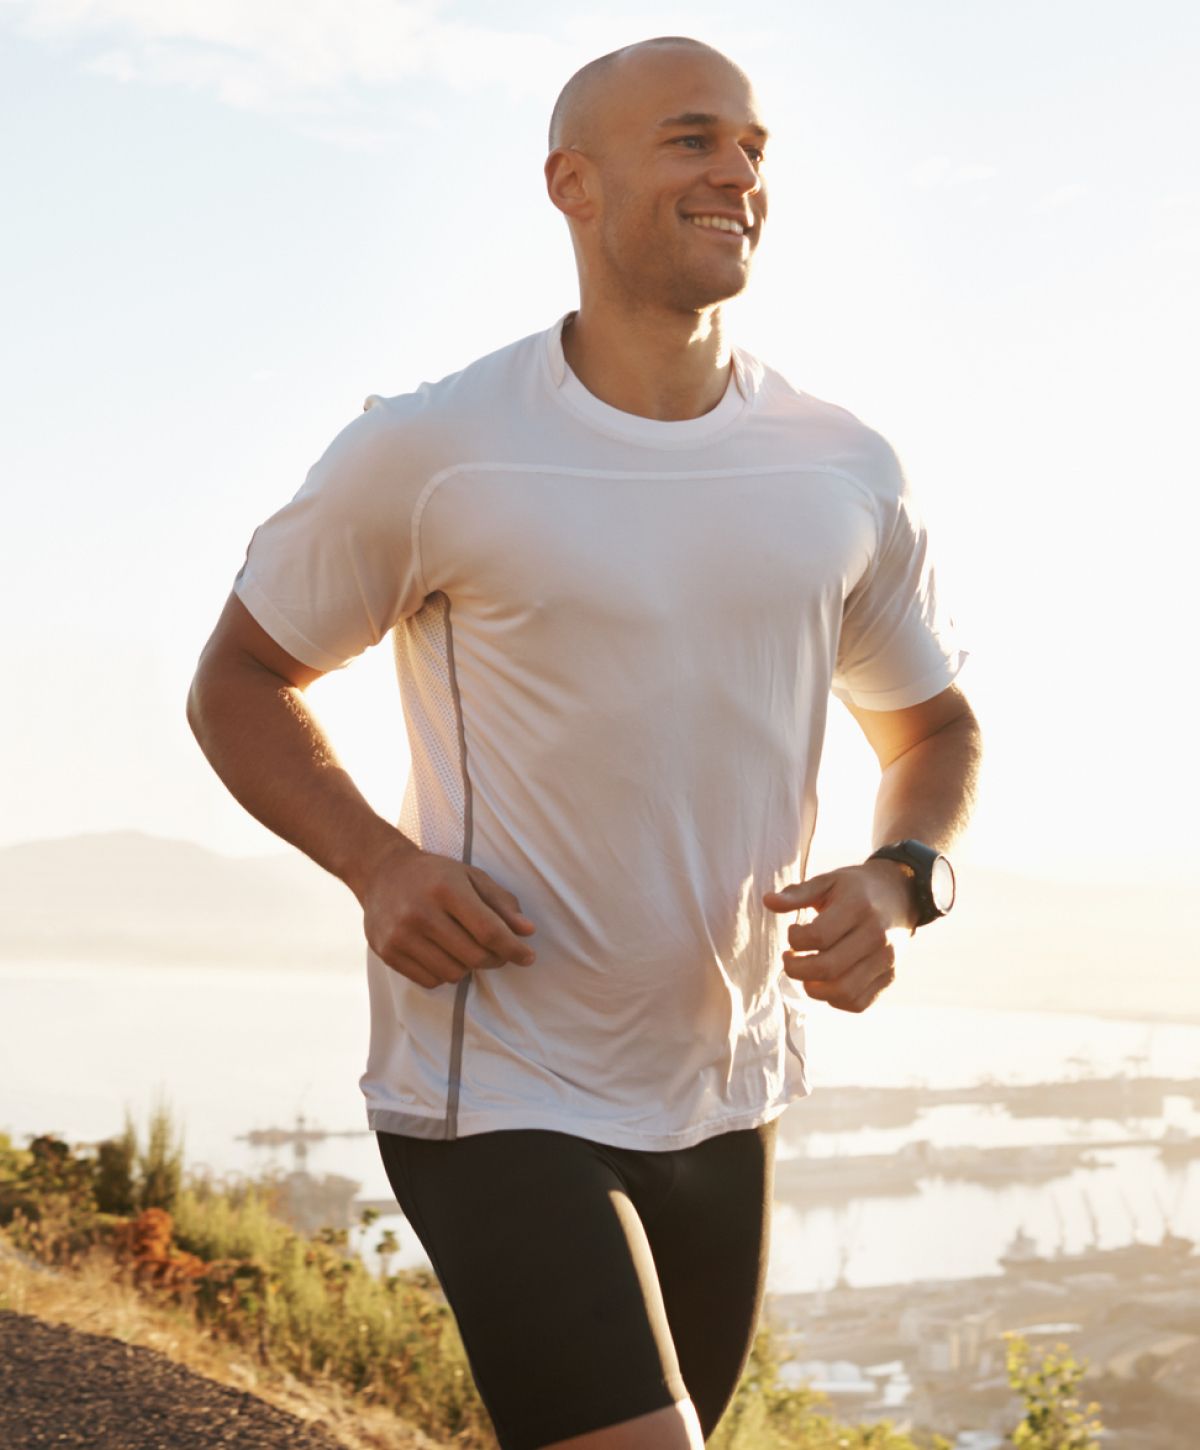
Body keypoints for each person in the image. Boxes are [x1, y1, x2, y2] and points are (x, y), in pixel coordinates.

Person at [187, 34, 981, 1450]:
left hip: (728, 1091)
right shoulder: (436, 449)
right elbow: (240, 680)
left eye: (753, 146)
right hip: (493, 1084)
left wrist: (901, 878)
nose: (737, 168)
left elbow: (932, 726)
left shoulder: (840, 464)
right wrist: (377, 863)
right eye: (692, 139)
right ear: (575, 183)